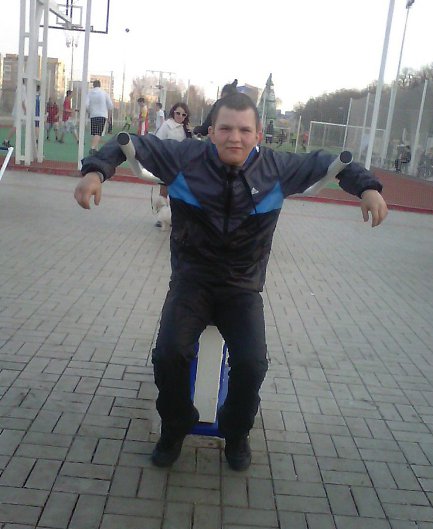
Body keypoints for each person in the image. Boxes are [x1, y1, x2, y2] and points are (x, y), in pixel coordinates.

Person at [74, 93, 388, 472]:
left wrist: (368, 188)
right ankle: (176, 424)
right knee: (169, 354)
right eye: (225, 129)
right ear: (211, 132)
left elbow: (330, 162)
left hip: (242, 288)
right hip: (192, 282)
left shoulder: (276, 168)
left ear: (258, 135)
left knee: (252, 364)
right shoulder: (185, 159)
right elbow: (131, 144)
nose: (234, 138)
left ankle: (236, 431)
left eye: (244, 130)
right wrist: (94, 172)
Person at [154, 102, 192, 227]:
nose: (180, 116)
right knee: (164, 191)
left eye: (183, 114)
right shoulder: (166, 125)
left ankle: (174, 217)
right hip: (166, 163)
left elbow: (190, 146)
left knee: (176, 192)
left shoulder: (186, 128)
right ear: (173, 112)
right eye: (178, 113)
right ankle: (161, 218)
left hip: (180, 165)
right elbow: (157, 141)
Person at [86, 80, 113, 155]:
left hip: (93, 115)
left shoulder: (90, 93)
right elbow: (110, 105)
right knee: (98, 133)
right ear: (100, 85)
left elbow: (86, 105)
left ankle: (96, 150)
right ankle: (92, 148)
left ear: (93, 85)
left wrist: (89, 112)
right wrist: (109, 117)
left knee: (95, 133)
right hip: (102, 115)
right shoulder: (104, 93)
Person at [3, 79, 26, 148]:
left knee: (17, 127)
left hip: (17, 111)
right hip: (20, 112)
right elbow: (22, 100)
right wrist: (25, 110)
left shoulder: (19, 88)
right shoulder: (23, 87)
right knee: (16, 127)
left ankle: (7, 140)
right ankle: (6, 140)